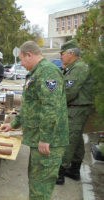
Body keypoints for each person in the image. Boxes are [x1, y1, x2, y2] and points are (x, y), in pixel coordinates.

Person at [1, 41, 69, 200]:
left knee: (40, 187)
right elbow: (31, 106)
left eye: (21, 59)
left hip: (49, 141)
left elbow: (50, 107)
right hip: (41, 138)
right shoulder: (38, 72)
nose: (21, 64)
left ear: (28, 55)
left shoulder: (47, 72)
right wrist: (13, 124)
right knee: (36, 181)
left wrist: (45, 138)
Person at [56, 40, 93, 185]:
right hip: (76, 109)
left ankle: (59, 173)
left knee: (69, 139)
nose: (60, 57)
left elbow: (68, 92)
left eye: (62, 54)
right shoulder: (73, 68)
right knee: (76, 140)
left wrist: (53, 103)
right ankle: (75, 170)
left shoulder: (79, 68)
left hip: (76, 109)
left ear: (71, 53)